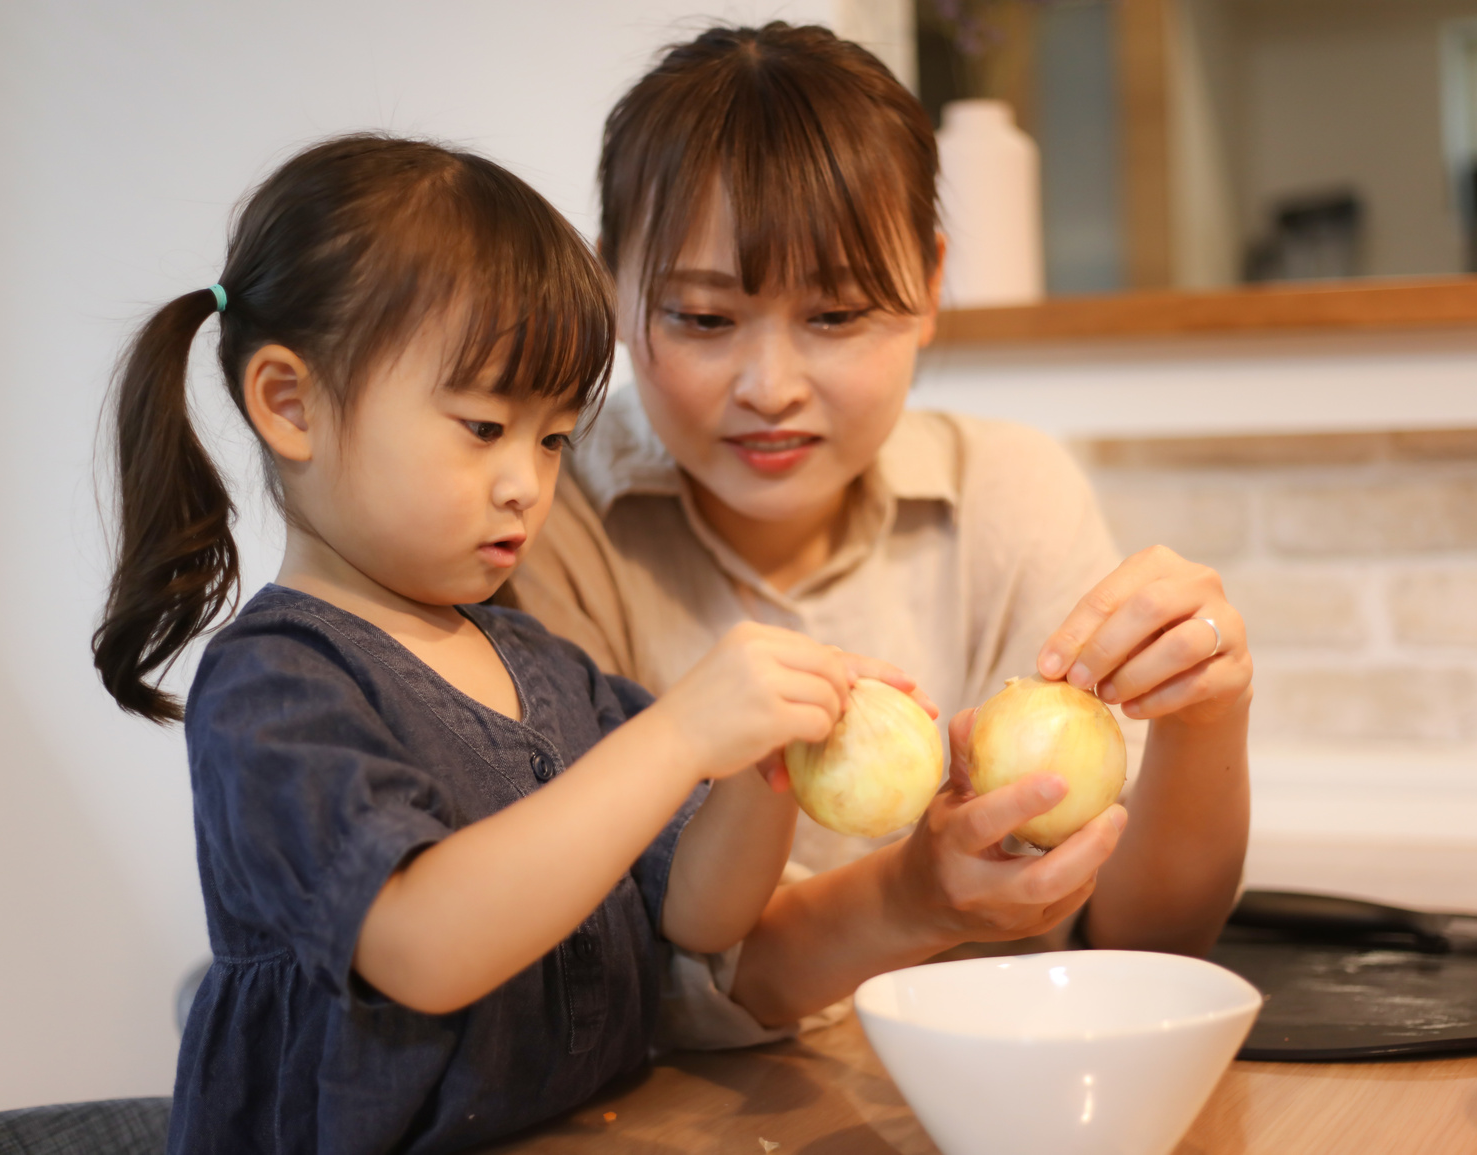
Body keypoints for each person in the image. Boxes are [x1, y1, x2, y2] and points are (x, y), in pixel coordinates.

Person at [90, 133, 940, 1153]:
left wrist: (763, 765)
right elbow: (423, 946)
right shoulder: (276, 685)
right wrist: (675, 737)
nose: (524, 486)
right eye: (483, 428)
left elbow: (701, 919)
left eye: (550, 441)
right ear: (289, 402)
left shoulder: (540, 663)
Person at [508, 22, 1254, 1040]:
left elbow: (1146, 946)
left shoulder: (1008, 491)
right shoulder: (546, 523)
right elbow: (599, 978)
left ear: (931, 284)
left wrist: (1205, 720)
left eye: (836, 315)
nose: (769, 390)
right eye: (702, 318)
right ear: (614, 287)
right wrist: (909, 900)